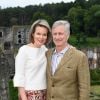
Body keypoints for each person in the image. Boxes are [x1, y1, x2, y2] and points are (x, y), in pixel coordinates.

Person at [46, 20, 90, 100]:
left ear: (68, 35)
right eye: (55, 34)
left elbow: (84, 88)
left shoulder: (79, 57)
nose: (57, 37)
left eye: (60, 34)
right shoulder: (47, 54)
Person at [13, 19, 51, 100]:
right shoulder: (24, 50)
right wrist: (23, 98)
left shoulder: (45, 49)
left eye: (44, 34)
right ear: (33, 34)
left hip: (45, 93)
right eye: (38, 34)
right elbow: (19, 76)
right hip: (29, 94)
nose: (41, 37)